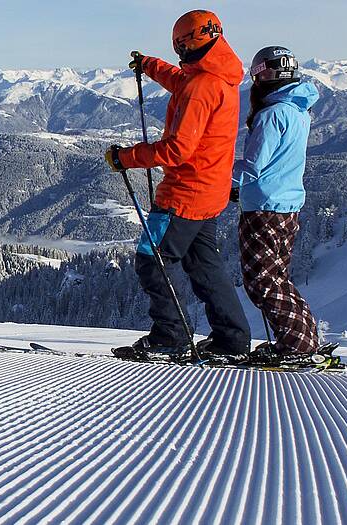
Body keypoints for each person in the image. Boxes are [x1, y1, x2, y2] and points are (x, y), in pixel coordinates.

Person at [104, 9, 251, 359]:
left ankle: (170, 336)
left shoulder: (202, 86)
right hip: (210, 192)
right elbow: (181, 82)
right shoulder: (218, 75)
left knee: (151, 259)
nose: (178, 54)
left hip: (185, 193)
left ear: (186, 42)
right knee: (204, 266)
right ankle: (232, 339)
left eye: (179, 47)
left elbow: (177, 149)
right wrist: (150, 66)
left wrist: (127, 158)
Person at [233, 46, 323, 360]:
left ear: (263, 76)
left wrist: (218, 177)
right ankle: (304, 338)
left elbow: (253, 165)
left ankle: (295, 345)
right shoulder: (298, 110)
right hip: (287, 204)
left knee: (260, 280)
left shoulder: (272, 114)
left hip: (264, 207)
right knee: (275, 277)